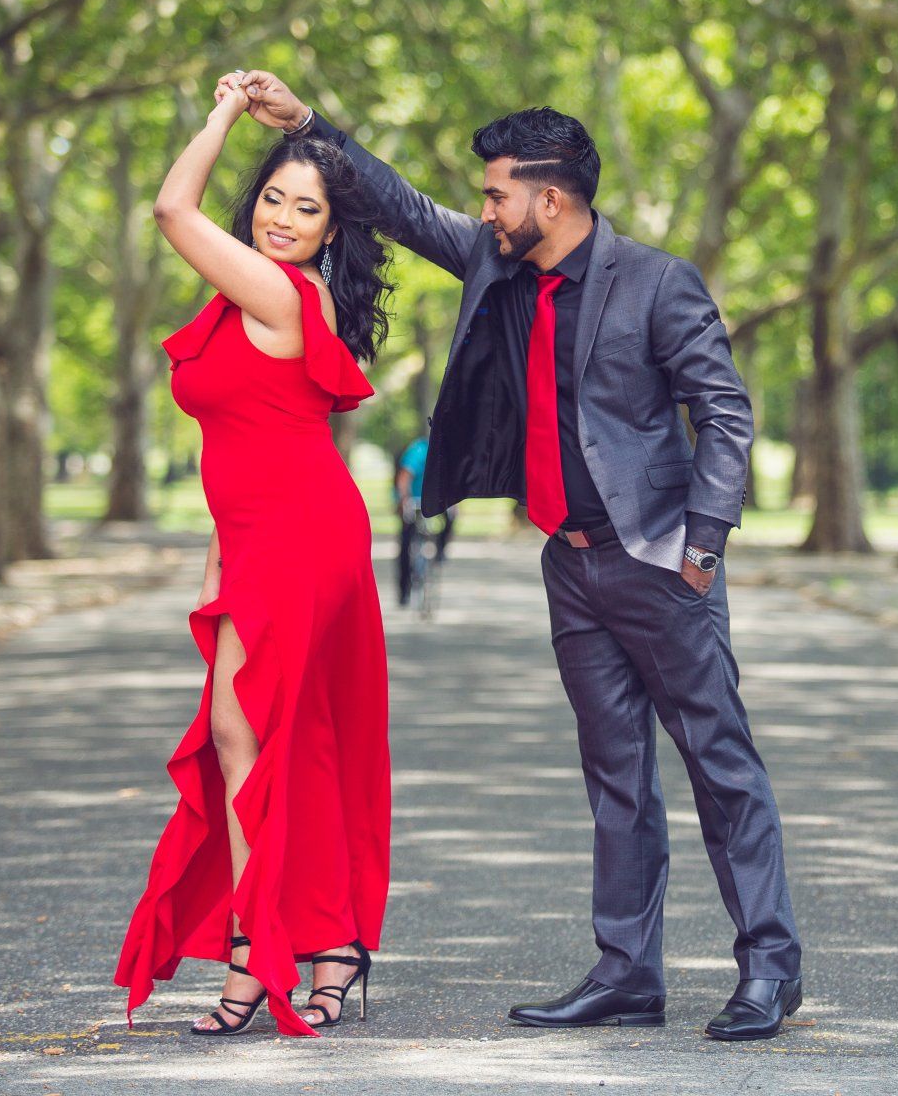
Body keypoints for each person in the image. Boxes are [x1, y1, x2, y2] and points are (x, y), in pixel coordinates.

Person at [231, 69, 805, 1042]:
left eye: (498, 191)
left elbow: (725, 410)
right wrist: (308, 127)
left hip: (661, 562)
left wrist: (702, 544)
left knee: (720, 766)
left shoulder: (658, 283)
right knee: (615, 771)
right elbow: (401, 205)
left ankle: (770, 969)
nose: (485, 207)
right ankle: (627, 971)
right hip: (570, 564)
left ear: (551, 197)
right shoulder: (498, 262)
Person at [113, 71, 394, 1038]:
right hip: (262, 538)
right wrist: (216, 563)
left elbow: (167, 206)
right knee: (283, 740)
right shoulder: (247, 297)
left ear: (329, 231)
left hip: (303, 536)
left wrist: (225, 112)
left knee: (249, 735)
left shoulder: (274, 290)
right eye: (272, 197)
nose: (281, 217)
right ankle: (324, 944)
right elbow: (246, 444)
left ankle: (257, 949)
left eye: (305, 207)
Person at [394, 434, 454, 607]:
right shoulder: (419, 450)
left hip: (437, 500)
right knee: (406, 542)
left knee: (452, 518)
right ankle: (404, 589)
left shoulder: (447, 451)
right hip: (415, 499)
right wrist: (404, 499)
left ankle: (441, 550)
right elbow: (405, 477)